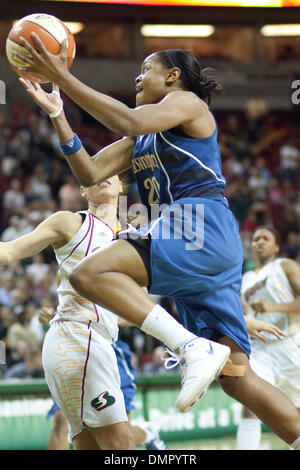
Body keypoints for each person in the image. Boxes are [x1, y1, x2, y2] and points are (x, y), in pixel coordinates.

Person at [17, 41, 300, 449]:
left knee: (90, 272)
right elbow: (92, 170)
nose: (137, 76)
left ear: (173, 76)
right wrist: (59, 114)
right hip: (197, 244)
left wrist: (63, 76)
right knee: (238, 378)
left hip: (198, 225)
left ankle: (188, 348)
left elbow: (129, 120)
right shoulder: (144, 140)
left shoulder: (187, 104)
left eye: (146, 68)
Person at [0, 176, 135, 450]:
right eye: (92, 174)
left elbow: (136, 309)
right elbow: (8, 252)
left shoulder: (133, 237)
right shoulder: (71, 222)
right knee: (122, 446)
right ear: (83, 190)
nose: (101, 176)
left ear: (121, 184)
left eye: (109, 170)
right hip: (76, 337)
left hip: (98, 341)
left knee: (91, 445)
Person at [39, 308, 168, 450]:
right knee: (60, 421)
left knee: (116, 435)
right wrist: (56, 314)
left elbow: (141, 311)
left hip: (106, 347)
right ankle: (146, 433)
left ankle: (146, 434)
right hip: (69, 346)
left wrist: (104, 317)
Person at [237, 226, 300, 450]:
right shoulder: (244, 279)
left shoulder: (284, 266)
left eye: (266, 238)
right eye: (255, 239)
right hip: (261, 349)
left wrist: (273, 307)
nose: (260, 242)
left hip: (290, 344)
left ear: (276, 246)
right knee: (251, 400)